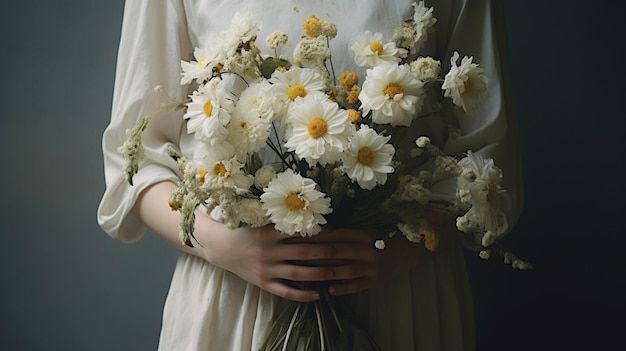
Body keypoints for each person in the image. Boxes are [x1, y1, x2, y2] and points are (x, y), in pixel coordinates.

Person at [97, 0, 523, 350]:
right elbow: (134, 162)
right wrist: (226, 247)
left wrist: (403, 251)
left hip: (399, 294)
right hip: (233, 297)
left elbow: (489, 161)